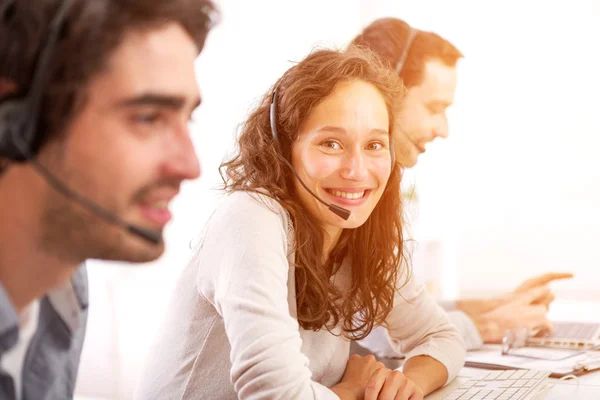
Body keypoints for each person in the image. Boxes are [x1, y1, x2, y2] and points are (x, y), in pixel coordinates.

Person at [136, 46, 465, 400]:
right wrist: (352, 390)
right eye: (331, 143)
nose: (357, 171)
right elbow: (275, 393)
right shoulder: (250, 217)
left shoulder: (360, 234)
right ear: (284, 148)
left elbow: (441, 337)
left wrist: (408, 382)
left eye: (374, 145)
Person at [0, 0, 216, 398]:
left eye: (188, 119)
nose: (190, 165)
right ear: (14, 122)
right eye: (148, 117)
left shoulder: (63, 284)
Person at [350, 17, 573, 352]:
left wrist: (496, 304)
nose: (444, 129)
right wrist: (490, 325)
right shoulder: (343, 195)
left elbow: (400, 312)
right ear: (384, 95)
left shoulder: (380, 195)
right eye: (434, 108)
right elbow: (373, 339)